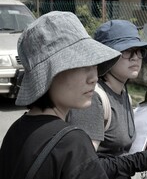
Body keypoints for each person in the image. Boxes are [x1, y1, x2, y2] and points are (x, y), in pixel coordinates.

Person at [0, 11, 121, 179]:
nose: (94, 78)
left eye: (94, 65)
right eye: (82, 64)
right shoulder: (72, 142)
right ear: (50, 74)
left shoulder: (15, 131)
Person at [68, 19, 147, 178]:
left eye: (139, 51)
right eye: (128, 51)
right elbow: (84, 169)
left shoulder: (124, 95)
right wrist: (138, 161)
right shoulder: (93, 99)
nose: (136, 57)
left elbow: (117, 150)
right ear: (106, 56)